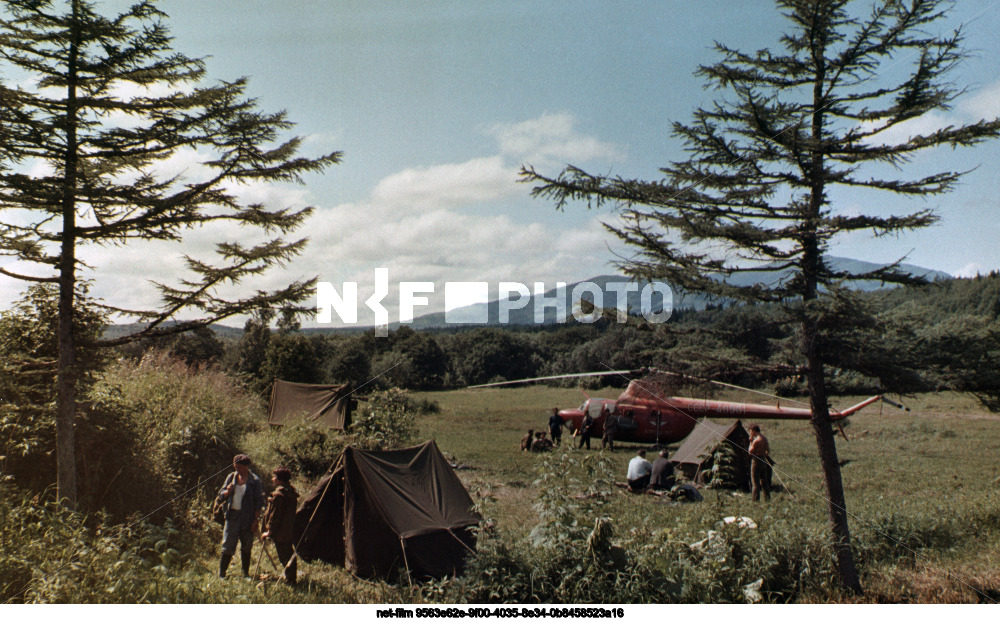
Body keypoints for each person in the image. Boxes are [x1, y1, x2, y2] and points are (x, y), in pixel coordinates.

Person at [217, 454, 265, 578]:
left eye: (240, 467)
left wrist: (256, 520)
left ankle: (245, 574)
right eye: (235, 467)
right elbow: (221, 494)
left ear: (247, 466)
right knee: (227, 545)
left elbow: (259, 502)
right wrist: (227, 491)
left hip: (248, 518)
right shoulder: (231, 477)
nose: (237, 469)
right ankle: (222, 575)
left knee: (246, 546)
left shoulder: (254, 481)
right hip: (232, 516)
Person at [262, 466, 299, 585]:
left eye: (274, 477)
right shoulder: (290, 491)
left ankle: (290, 581)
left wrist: (269, 531)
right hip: (289, 529)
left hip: (281, 532)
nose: (272, 479)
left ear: (280, 479)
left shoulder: (279, 495)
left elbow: (275, 516)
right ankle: (291, 578)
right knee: (288, 554)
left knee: (285, 556)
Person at [749, 424, 772, 502]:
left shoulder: (756, 441)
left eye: (751, 431)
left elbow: (750, 452)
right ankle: (767, 499)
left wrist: (751, 442)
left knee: (755, 483)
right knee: (764, 482)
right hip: (763, 461)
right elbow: (768, 451)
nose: (751, 433)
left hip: (756, 461)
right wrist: (763, 455)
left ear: (754, 431)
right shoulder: (765, 439)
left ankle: (755, 500)